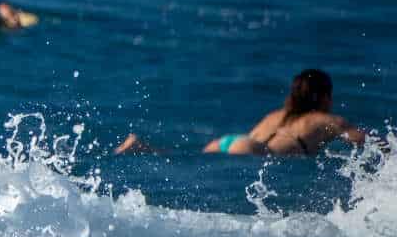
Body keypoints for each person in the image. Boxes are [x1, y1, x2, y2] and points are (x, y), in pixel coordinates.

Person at [115, 69, 365, 156]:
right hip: (253, 150)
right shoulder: (327, 120)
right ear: (323, 97)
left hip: (228, 142)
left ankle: (143, 147)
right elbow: (366, 141)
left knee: (187, 157)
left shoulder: (275, 115)